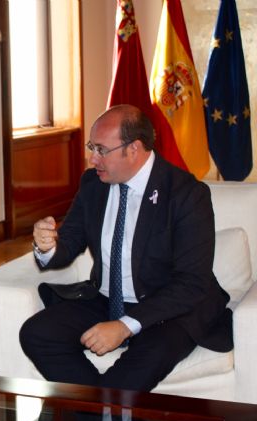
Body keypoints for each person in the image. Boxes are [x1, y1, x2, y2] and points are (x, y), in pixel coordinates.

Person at [20, 104, 233, 393]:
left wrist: (124, 326)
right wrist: (47, 246)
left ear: (133, 149)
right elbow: (69, 242)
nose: (93, 158)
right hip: (106, 298)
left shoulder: (185, 194)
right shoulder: (93, 184)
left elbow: (191, 283)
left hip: (170, 307)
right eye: (91, 147)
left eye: (101, 150)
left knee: (132, 372)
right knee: (37, 333)